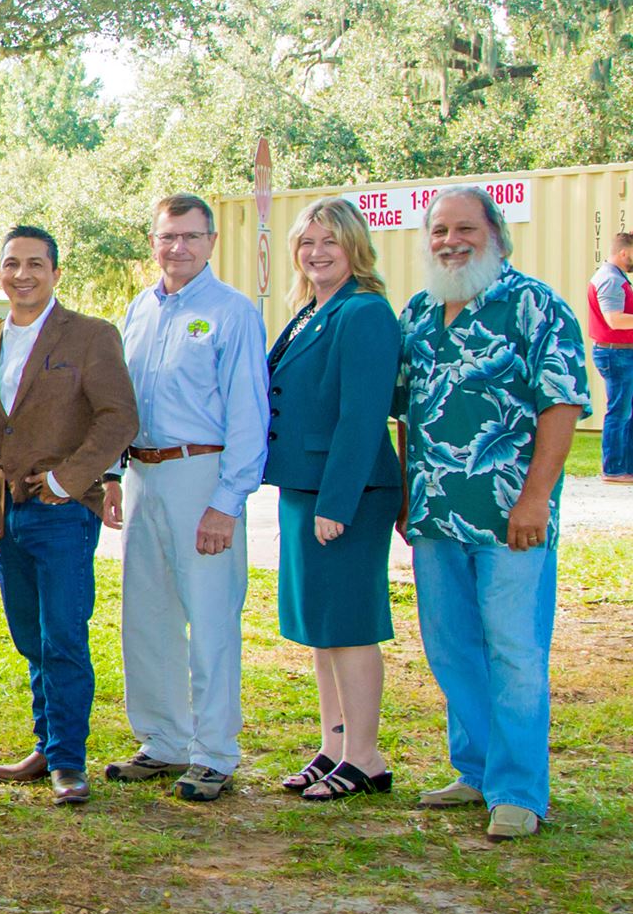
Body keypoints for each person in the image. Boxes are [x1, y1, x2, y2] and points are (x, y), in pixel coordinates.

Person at [399, 187, 589, 842]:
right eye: (439, 230)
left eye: (465, 229)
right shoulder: (420, 312)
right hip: (435, 517)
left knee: (513, 650)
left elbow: (561, 404)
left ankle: (517, 789)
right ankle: (475, 770)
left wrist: (536, 496)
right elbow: (408, 413)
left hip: (511, 519)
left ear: (497, 235)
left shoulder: (534, 305)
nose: (450, 241)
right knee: (452, 648)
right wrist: (407, 493)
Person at [0, 226, 137, 806]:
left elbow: (119, 417)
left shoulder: (91, 336)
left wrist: (67, 479)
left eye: (35, 264)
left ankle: (69, 761)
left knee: (63, 637)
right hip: (2, 518)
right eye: (12, 264)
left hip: (61, 514)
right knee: (30, 636)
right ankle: (47, 744)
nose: (22, 274)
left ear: (56, 273)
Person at [103, 194, 268, 803]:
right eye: (168, 236)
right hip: (143, 474)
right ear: (153, 241)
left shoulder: (232, 313)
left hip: (202, 473)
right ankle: (164, 739)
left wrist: (227, 502)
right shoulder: (139, 310)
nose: (179, 247)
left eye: (191, 236)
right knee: (148, 614)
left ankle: (214, 752)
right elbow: (120, 403)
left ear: (212, 242)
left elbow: (249, 412)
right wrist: (113, 474)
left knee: (211, 616)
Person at [259, 197, 404, 802]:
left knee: (349, 624)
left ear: (355, 248)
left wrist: (336, 504)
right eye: (307, 242)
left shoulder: (364, 312)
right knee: (322, 626)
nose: (316, 253)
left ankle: (365, 757)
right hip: (306, 488)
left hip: (347, 494)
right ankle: (334, 745)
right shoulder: (310, 312)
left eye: (330, 242)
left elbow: (363, 416)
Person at [590, 232, 633, 484]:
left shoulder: (615, 277)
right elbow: (614, 319)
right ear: (624, 252)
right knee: (619, 411)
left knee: (626, 411)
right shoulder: (611, 280)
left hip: (620, 352)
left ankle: (624, 468)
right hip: (616, 353)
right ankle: (614, 469)